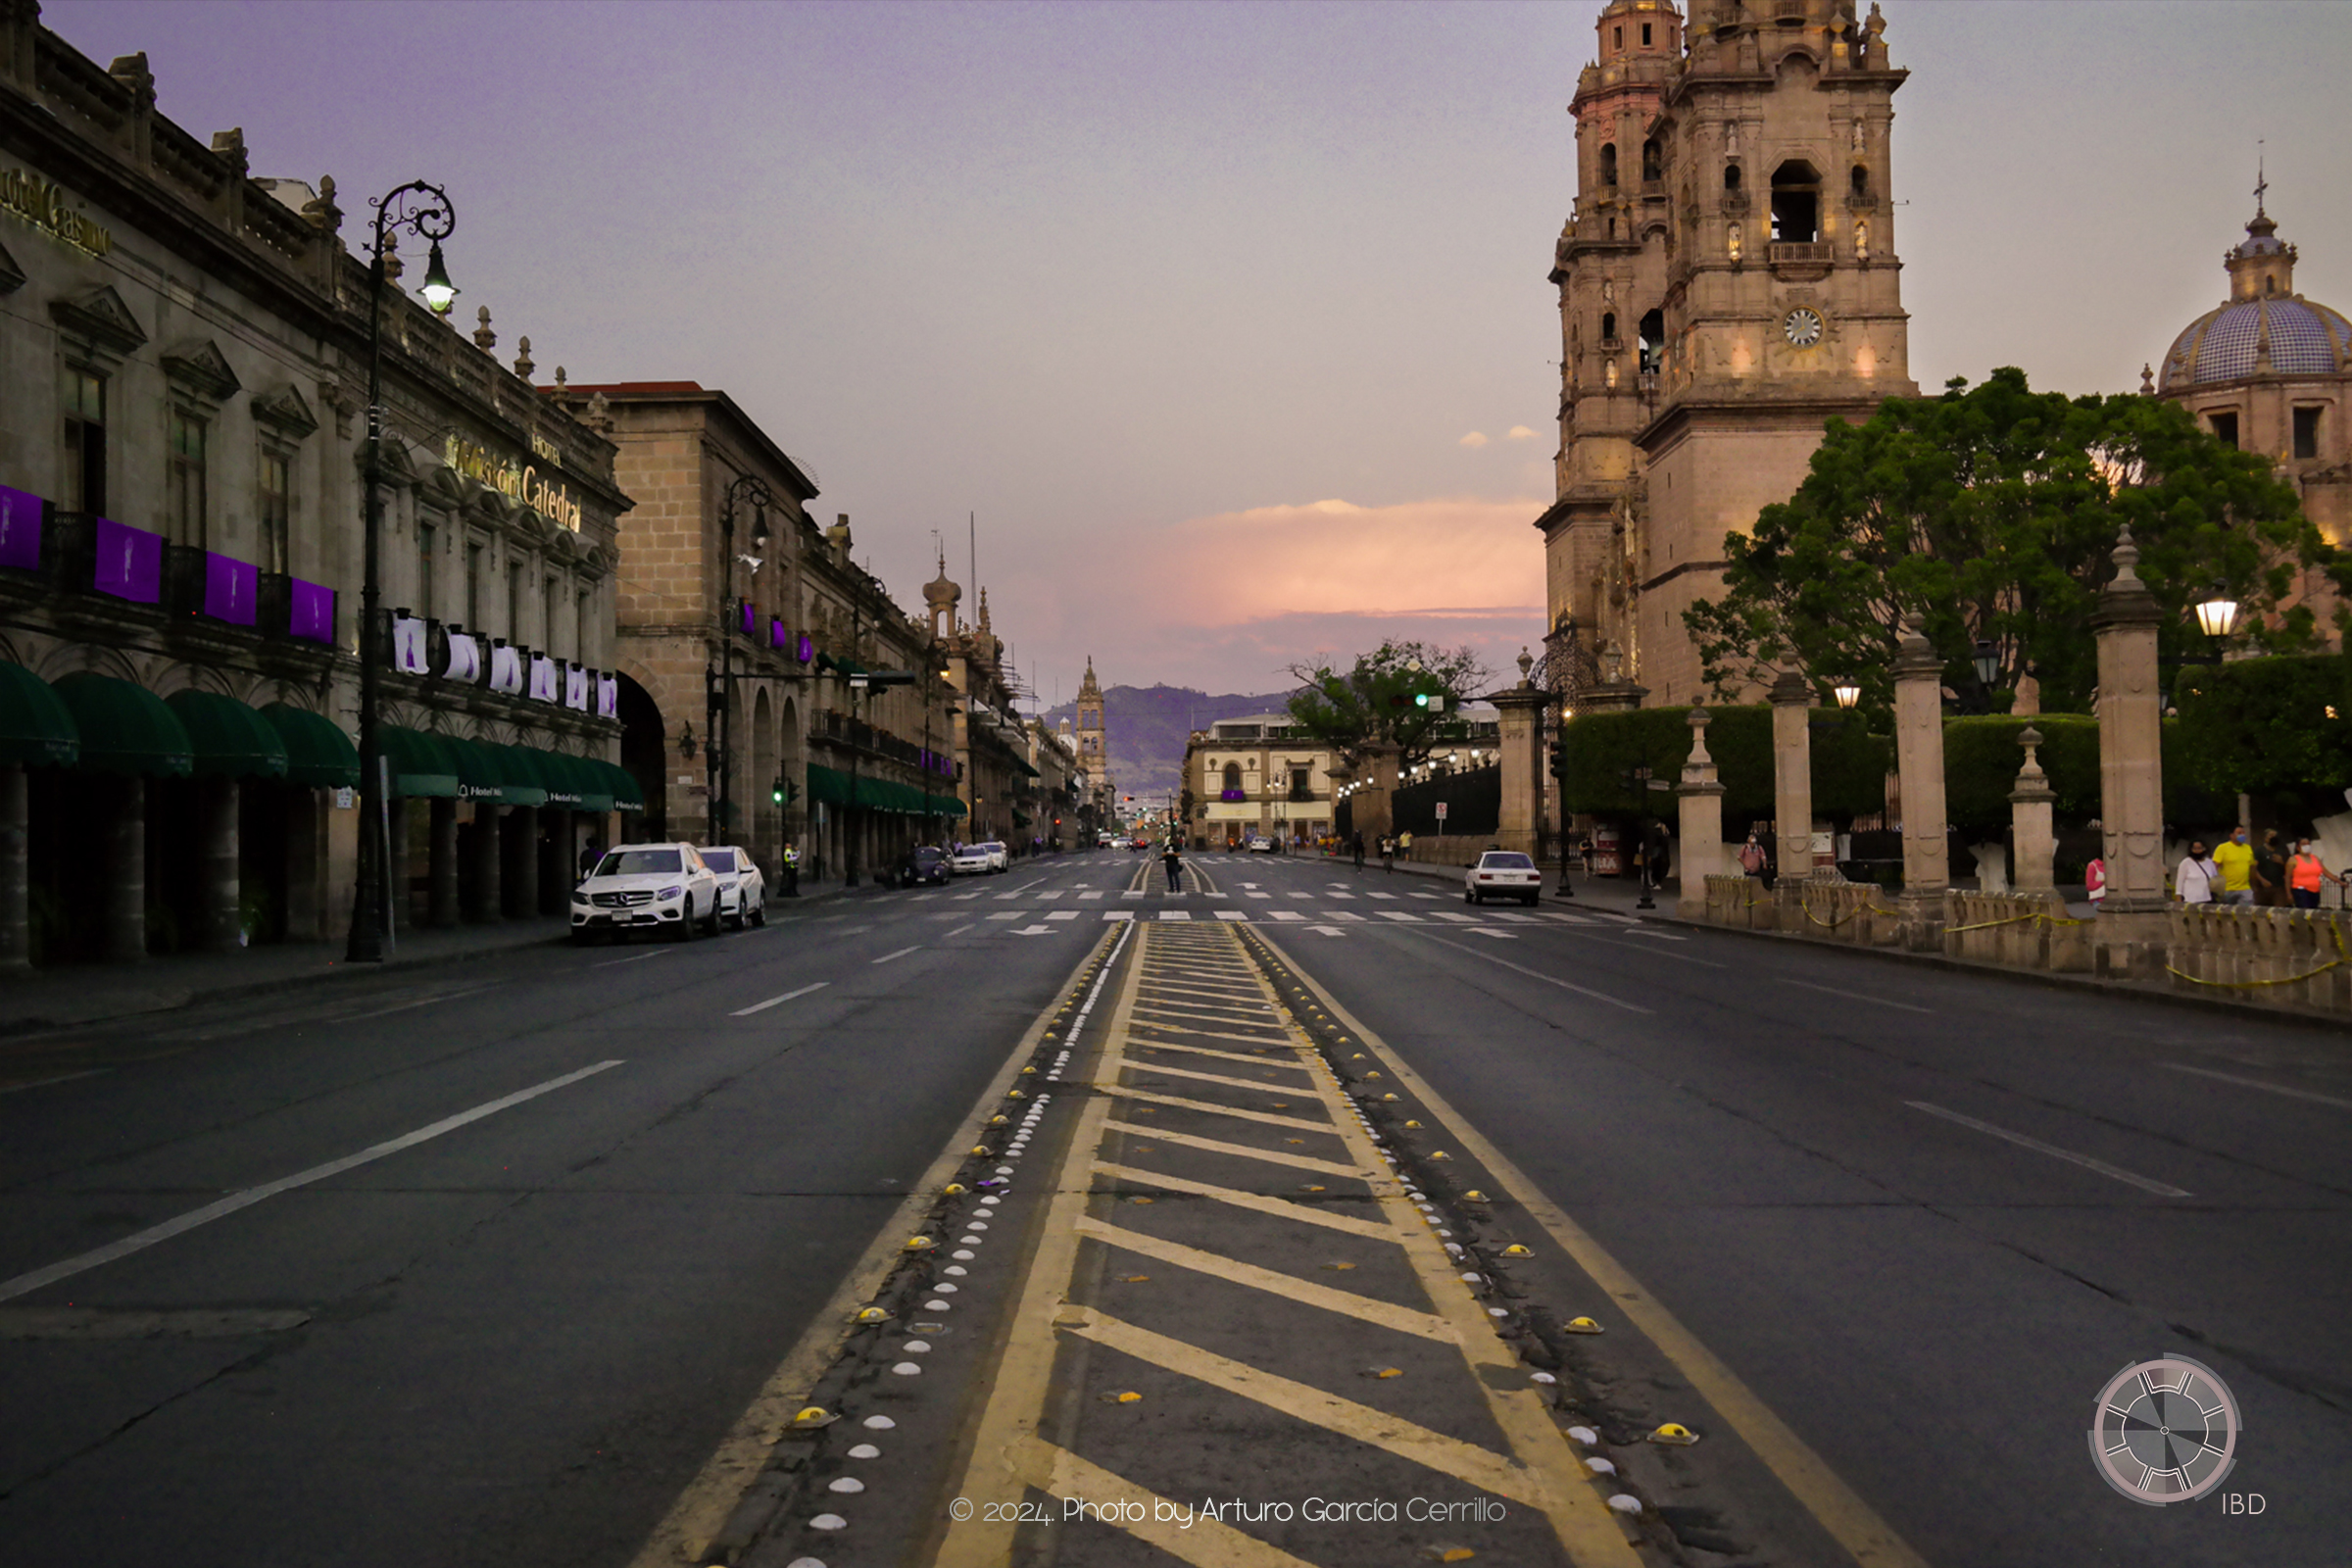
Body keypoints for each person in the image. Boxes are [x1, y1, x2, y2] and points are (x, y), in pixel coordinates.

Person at [2287, 838, 2342, 910]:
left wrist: (2339, 882)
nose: (2306, 846)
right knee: (2305, 910)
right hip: (2300, 890)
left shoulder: (2315, 858)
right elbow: (2287, 877)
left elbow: (2326, 872)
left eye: (2308, 844)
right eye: (2303, 844)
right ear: (2298, 847)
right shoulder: (2293, 860)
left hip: (2315, 890)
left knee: (2313, 910)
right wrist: (2289, 894)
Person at [2211, 826, 2256, 906]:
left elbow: (2252, 867)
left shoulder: (2248, 848)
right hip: (2227, 889)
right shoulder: (2222, 848)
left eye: (2243, 833)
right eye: (2239, 833)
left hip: (2244, 888)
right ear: (2231, 835)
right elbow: (2214, 866)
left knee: (2245, 913)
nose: (2242, 835)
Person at [2174, 840, 2217, 905]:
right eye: (2195, 848)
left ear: (2204, 849)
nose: (2197, 851)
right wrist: (2178, 897)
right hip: (2190, 899)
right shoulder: (2186, 863)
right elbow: (2180, 882)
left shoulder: (2209, 863)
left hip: (2207, 899)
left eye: (2199, 848)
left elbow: (2214, 879)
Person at [2253, 829, 2288, 907]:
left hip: (2279, 887)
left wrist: (2282, 862)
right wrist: (2262, 880)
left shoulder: (2283, 850)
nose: (2273, 837)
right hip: (2262, 888)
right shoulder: (2259, 850)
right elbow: (2253, 869)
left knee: (2279, 911)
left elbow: (2290, 868)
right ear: (2265, 838)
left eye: (2275, 836)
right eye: (2271, 835)